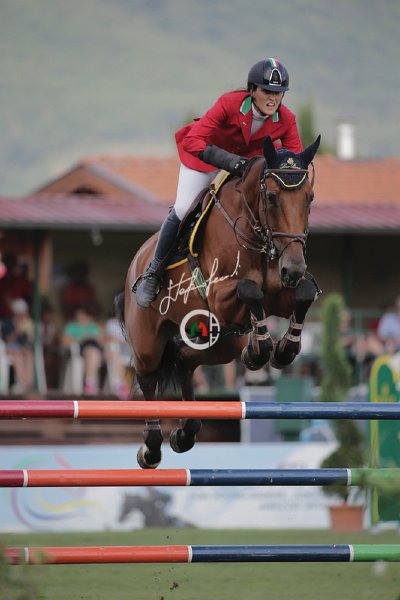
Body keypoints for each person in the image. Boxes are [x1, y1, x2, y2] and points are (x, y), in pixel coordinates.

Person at [134, 57, 302, 308]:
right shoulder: (229, 103)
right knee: (182, 208)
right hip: (205, 161)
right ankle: (153, 272)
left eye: (278, 93)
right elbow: (192, 140)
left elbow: (295, 161)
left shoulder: (287, 119)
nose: (273, 98)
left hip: (246, 169)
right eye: (267, 91)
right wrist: (233, 162)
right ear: (252, 90)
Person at [62, 306, 104, 395]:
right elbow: (64, 342)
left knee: (95, 353)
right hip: (79, 351)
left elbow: (102, 341)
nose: (81, 316)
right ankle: (89, 383)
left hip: (95, 350)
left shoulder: (94, 326)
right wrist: (82, 338)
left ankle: (90, 383)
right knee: (92, 353)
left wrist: (93, 337)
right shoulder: (71, 326)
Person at [1, 298, 34, 393]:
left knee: (29, 354)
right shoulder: (7, 323)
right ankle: (22, 382)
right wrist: (17, 328)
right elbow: (8, 340)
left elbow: (28, 341)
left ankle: (27, 383)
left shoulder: (27, 323)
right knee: (18, 356)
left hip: (21, 349)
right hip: (8, 348)